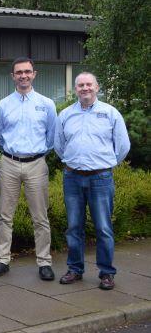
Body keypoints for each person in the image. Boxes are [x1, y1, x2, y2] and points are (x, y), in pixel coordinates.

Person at [54, 72, 130, 290]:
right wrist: (73, 161)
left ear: (97, 88)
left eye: (89, 84)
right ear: (75, 89)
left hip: (100, 178)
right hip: (72, 178)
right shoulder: (66, 114)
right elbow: (59, 145)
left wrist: (104, 164)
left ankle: (106, 273)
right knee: (74, 226)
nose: (84, 88)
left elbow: (123, 146)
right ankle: (75, 269)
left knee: (103, 227)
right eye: (80, 85)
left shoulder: (110, 113)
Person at [0, 57, 57, 281]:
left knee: (40, 217)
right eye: (19, 72)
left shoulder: (47, 104)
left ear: (34, 74)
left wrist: (36, 154)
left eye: (27, 71)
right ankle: (2, 259)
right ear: (13, 76)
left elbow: (51, 137)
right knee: (4, 215)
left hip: (37, 164)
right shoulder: (2, 105)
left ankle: (44, 262)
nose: (23, 75)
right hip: (9, 163)